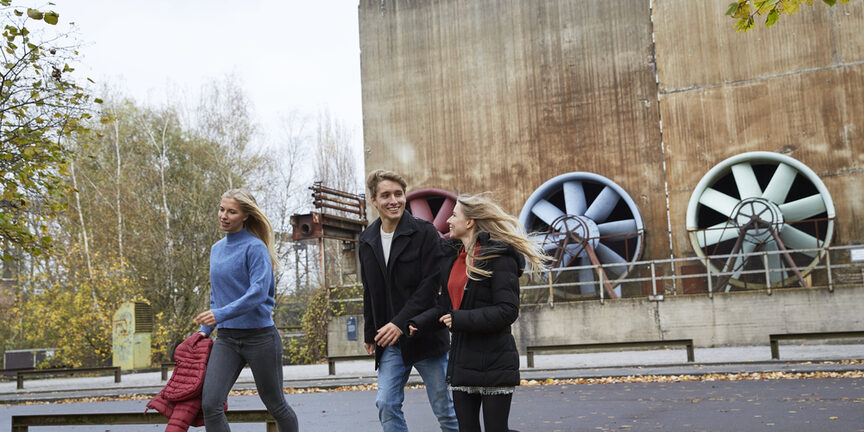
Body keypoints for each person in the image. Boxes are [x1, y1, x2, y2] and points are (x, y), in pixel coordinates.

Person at [409, 194, 547, 432]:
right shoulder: (454, 260)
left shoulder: (499, 257)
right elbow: (446, 308)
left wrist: (460, 319)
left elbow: (507, 311)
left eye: (454, 215)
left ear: (470, 222)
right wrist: (418, 323)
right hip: (463, 361)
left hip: (495, 361)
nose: (448, 220)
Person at [359, 169, 459, 432]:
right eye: (386, 195)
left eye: (398, 194)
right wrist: (371, 332)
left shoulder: (424, 232)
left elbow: (430, 285)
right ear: (373, 201)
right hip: (389, 339)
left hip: (424, 333)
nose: (394, 200)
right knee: (386, 404)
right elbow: (369, 290)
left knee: (445, 408)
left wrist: (400, 322)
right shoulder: (367, 240)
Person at [194, 189, 299, 432]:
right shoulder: (216, 250)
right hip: (227, 339)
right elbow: (216, 296)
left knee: (276, 405)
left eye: (232, 211)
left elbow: (257, 293)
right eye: (222, 209)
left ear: (245, 216)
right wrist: (204, 330)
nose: (224, 215)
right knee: (210, 405)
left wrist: (219, 315)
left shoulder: (255, 248)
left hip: (261, 338)